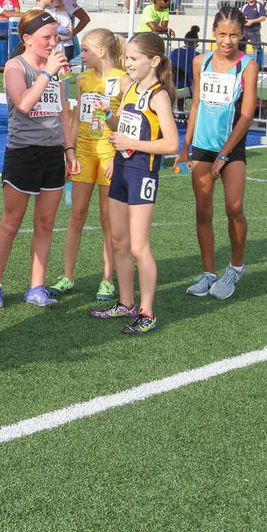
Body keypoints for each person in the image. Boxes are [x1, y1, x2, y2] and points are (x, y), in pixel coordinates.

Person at [0, 10, 79, 309]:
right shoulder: (16, 66)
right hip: (23, 153)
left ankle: (36, 286)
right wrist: (48, 73)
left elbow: (63, 112)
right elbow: (24, 104)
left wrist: (69, 151)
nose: (53, 43)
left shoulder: (55, 70)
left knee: (46, 223)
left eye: (56, 37)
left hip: (52, 154)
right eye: (46, 37)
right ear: (27, 39)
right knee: (11, 223)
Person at [89, 32, 179, 335]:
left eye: (134, 58)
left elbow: (170, 144)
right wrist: (108, 119)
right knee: (118, 241)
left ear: (153, 60)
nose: (127, 64)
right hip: (123, 169)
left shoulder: (158, 95)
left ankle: (147, 311)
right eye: (126, 58)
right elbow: (125, 123)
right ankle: (125, 302)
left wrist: (131, 143)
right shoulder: (131, 89)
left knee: (140, 246)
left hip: (143, 172)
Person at [175, 7, 258, 300]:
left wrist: (224, 155)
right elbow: (195, 104)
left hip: (231, 147)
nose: (227, 40)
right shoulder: (201, 62)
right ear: (213, 33)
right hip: (202, 147)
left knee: (234, 207)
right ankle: (209, 273)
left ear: (241, 35)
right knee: (203, 210)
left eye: (234, 34)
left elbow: (247, 115)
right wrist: (185, 148)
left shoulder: (247, 65)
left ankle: (235, 266)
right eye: (222, 34)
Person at [46, 29, 127, 302]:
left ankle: (107, 279)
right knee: (76, 216)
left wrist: (117, 156)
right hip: (83, 152)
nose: (82, 54)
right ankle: (67, 275)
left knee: (107, 220)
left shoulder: (124, 80)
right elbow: (77, 115)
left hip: (108, 154)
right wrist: (70, 152)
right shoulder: (83, 78)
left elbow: (127, 122)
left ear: (102, 52)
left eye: (87, 50)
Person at [169, 26, 200, 110]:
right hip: (188, 88)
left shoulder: (174, 52)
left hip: (172, 87)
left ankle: (180, 112)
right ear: (196, 42)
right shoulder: (196, 55)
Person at [241, 0, 267, 65]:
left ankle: (258, 66)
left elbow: (263, 17)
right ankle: (241, 63)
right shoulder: (244, 6)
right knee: (241, 47)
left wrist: (252, 21)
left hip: (255, 30)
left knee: (257, 49)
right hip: (245, 30)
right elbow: (241, 16)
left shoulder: (259, 6)